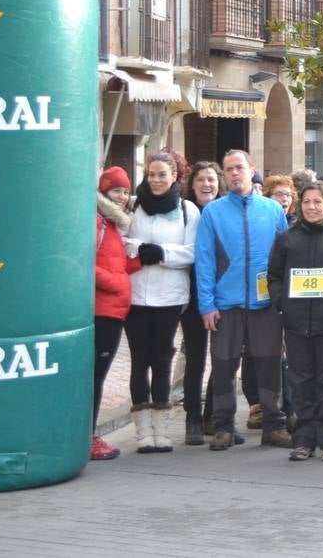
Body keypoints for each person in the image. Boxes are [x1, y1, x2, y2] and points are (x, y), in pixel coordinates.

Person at [195, 150, 291, 451]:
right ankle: (223, 426)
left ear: (252, 171)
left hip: (266, 305)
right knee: (224, 367)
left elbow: (284, 258)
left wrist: (282, 299)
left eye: (239, 168)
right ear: (224, 175)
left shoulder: (273, 210)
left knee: (269, 365)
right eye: (229, 170)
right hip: (226, 303)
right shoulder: (213, 212)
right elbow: (205, 260)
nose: (234, 174)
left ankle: (274, 425)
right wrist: (207, 304)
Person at [267, 181, 323, 462]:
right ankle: (303, 439)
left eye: (318, 202)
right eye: (306, 202)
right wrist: (283, 302)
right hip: (296, 323)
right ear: (299, 204)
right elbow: (274, 276)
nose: (312, 207)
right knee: (301, 381)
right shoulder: (287, 238)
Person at [122, 152, 199, 455]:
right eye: (151, 174)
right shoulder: (131, 205)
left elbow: (192, 252)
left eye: (162, 175)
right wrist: (142, 249)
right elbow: (118, 241)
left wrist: (163, 254)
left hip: (170, 297)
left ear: (174, 177)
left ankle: (162, 430)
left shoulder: (187, 210)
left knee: (163, 359)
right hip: (136, 295)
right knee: (139, 360)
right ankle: (143, 432)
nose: (155, 180)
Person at [92, 167, 134, 461]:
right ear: (104, 191)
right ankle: (89, 437)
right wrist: (118, 283)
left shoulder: (114, 223)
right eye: (117, 190)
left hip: (114, 309)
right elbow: (84, 262)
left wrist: (141, 262)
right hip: (102, 310)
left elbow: (115, 264)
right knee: (94, 378)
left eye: (124, 191)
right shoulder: (98, 221)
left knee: (97, 376)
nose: (122, 196)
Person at [180, 161, 223, 445]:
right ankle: (192, 417)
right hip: (193, 293)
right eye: (201, 180)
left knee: (223, 360)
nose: (207, 184)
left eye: (211, 180)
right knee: (195, 358)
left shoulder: (224, 212)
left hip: (224, 293)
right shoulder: (184, 213)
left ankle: (213, 417)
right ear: (192, 184)